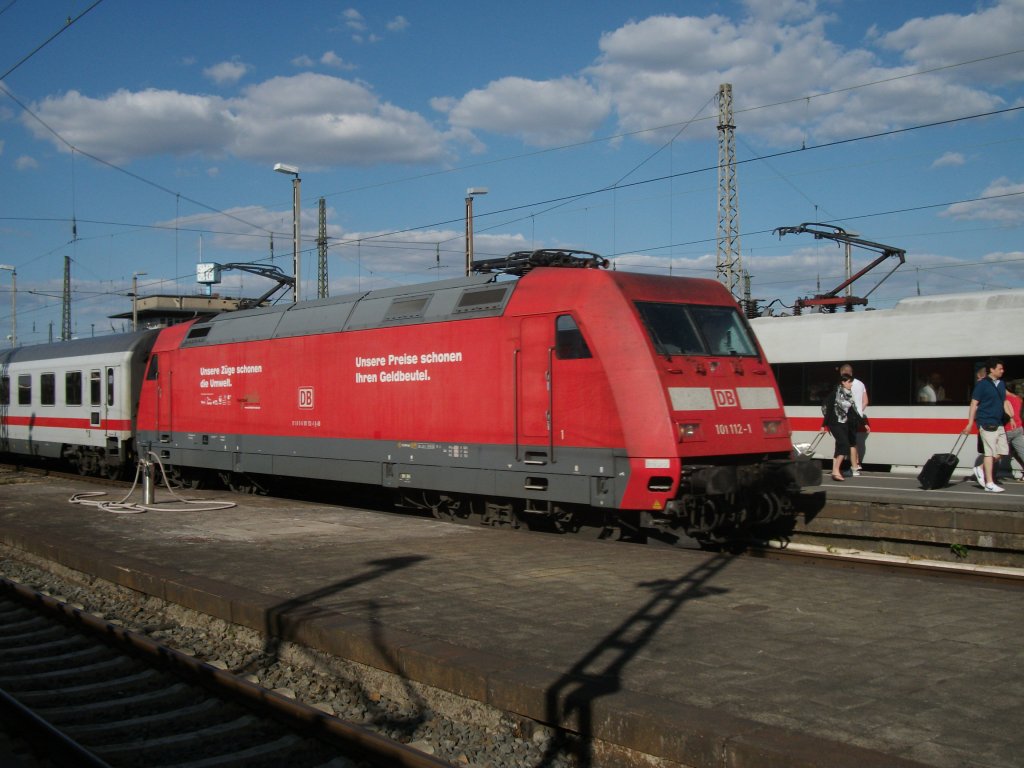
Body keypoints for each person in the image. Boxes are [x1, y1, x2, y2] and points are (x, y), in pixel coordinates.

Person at [962, 358, 1011, 493]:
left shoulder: (1001, 384)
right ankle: (989, 483)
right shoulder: (982, 384)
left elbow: (1003, 401)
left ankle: (980, 468)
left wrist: (1010, 417)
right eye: (1000, 368)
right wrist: (970, 423)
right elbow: (974, 403)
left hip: (999, 422)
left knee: (1003, 451)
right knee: (989, 452)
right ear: (992, 369)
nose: (1002, 371)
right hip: (986, 421)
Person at [820, 372, 858, 481]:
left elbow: (852, 410)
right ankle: (836, 471)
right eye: (849, 382)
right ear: (843, 382)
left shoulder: (848, 395)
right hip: (834, 423)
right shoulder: (834, 394)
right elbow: (829, 410)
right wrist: (823, 425)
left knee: (840, 446)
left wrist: (864, 423)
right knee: (844, 445)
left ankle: (835, 470)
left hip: (844, 423)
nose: (851, 384)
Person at [839, 363, 869, 475]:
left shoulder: (843, 384)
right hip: (858, 417)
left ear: (843, 373)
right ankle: (856, 463)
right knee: (853, 441)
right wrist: (859, 412)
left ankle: (852, 466)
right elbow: (866, 401)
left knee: (846, 442)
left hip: (847, 417)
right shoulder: (860, 384)